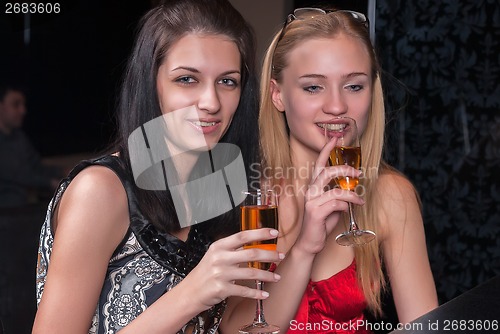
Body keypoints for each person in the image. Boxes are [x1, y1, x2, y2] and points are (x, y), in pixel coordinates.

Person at [32, 1, 284, 333]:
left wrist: (306, 241)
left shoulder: (219, 190)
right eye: (187, 79)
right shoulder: (102, 191)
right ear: (152, 82)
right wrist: (191, 295)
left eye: (227, 82)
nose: (211, 102)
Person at [221, 6, 438, 333]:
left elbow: (426, 329)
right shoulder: (248, 194)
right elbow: (233, 330)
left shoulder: (392, 195)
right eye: (313, 87)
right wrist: (306, 247)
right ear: (277, 94)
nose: (337, 106)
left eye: (354, 86)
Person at [0, 83, 63, 208]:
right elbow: (19, 174)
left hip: (21, 209)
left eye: (23, 105)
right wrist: (51, 183)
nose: (23, 111)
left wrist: (63, 171)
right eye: (16, 105)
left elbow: (36, 166)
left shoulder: (19, 137)